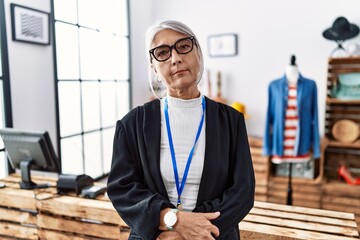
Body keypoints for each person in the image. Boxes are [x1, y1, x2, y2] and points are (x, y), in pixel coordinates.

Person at [107, 20, 255, 240]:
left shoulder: (230, 121)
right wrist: (171, 220)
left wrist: (191, 231)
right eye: (162, 52)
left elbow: (242, 192)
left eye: (183, 47)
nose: (175, 58)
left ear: (198, 53)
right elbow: (122, 188)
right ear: (154, 67)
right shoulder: (132, 124)